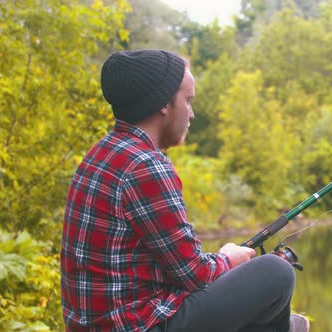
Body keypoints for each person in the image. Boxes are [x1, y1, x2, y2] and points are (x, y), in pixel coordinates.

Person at [60, 49, 310, 332]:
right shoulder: (146, 165)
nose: (191, 113)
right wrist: (228, 258)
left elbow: (176, 268)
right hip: (135, 326)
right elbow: (193, 274)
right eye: (187, 101)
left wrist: (221, 264)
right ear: (164, 104)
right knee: (276, 272)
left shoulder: (101, 152)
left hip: (100, 323)